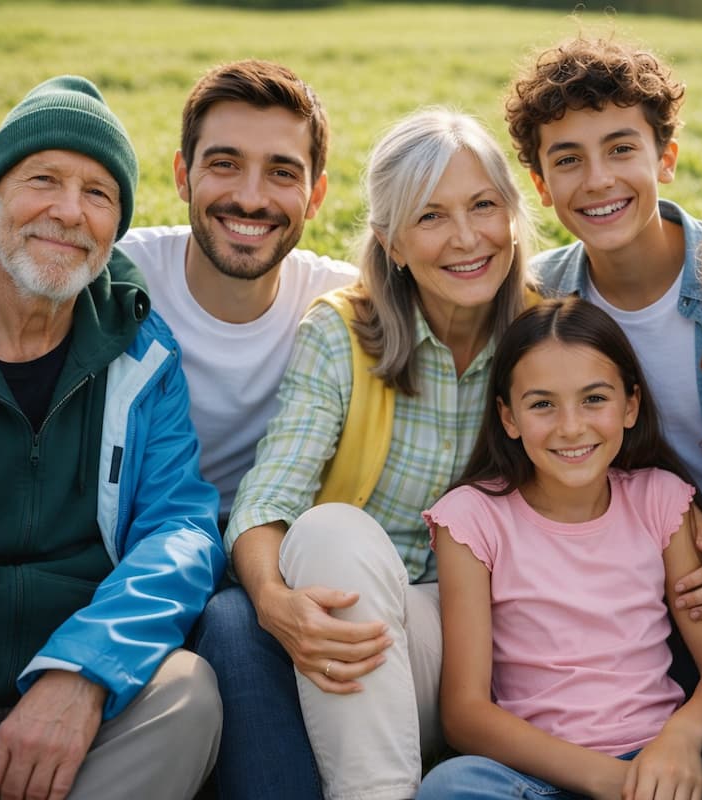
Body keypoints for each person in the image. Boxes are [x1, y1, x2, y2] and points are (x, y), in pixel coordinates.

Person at [0, 76, 225, 800]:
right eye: (44, 180)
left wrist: (83, 672)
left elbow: (180, 529)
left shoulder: (142, 353)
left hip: (82, 707)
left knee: (188, 694)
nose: (70, 212)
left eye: (98, 194)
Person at [195, 107, 539, 800]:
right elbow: (267, 501)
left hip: (493, 645)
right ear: (392, 242)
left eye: (484, 207)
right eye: (431, 217)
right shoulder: (343, 335)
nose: (467, 237)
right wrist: (272, 600)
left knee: (292, 576)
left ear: (512, 217)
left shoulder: (544, 334)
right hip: (357, 632)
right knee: (270, 585)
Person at [505, 36, 702, 685]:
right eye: (568, 159)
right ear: (542, 185)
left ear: (665, 157)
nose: (599, 180)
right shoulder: (539, 300)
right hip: (631, 554)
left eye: (620, 149)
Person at [418, 297, 702, 800]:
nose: (571, 426)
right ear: (508, 417)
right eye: (542, 404)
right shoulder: (470, 519)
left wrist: (678, 741)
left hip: (660, 761)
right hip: (537, 774)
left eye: (594, 399)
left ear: (630, 406)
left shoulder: (660, 500)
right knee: (451, 787)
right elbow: (465, 714)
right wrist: (607, 780)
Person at [117, 60, 357, 527]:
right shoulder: (119, 275)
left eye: (282, 173)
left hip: (273, 539)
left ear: (316, 196)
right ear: (183, 175)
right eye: (225, 164)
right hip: (134, 531)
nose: (250, 198)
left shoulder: (345, 300)